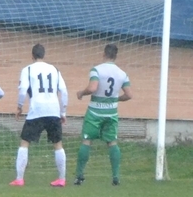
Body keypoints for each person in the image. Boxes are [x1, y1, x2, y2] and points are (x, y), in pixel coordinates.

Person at [74, 43, 132, 186]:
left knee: (87, 141)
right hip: (111, 113)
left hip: (95, 111)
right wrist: (116, 99)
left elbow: (92, 88)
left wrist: (81, 93)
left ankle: (79, 176)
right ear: (115, 56)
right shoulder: (122, 74)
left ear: (104, 54)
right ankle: (116, 177)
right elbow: (129, 95)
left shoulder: (97, 70)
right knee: (112, 142)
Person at [11, 44, 69, 187]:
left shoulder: (27, 70)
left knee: (25, 142)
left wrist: (19, 107)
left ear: (32, 55)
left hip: (36, 110)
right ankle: (62, 179)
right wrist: (63, 112)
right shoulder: (54, 69)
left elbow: (23, 90)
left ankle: (19, 179)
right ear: (44, 55)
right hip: (53, 110)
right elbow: (64, 91)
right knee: (58, 144)